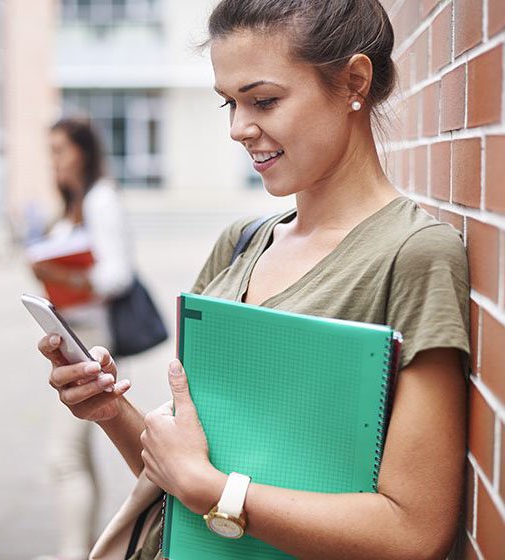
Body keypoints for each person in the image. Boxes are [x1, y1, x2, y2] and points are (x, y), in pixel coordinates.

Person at [38, 1, 470, 558]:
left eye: (263, 100)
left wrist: (215, 492)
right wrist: (111, 411)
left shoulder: (412, 256)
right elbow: (179, 477)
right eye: (229, 102)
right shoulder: (240, 243)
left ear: (353, 82)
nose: (239, 128)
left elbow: (414, 532)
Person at [31, 117, 135, 560]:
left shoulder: (100, 200)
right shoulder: (73, 204)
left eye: (61, 150)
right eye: (50, 150)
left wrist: (59, 273)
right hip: (70, 330)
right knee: (79, 448)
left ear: (84, 152)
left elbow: (117, 275)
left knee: (64, 456)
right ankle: (88, 547)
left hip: (91, 338)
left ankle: (76, 553)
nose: (54, 160)